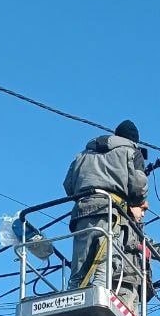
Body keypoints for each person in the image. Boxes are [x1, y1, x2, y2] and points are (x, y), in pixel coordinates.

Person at [63, 121, 148, 290]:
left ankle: (73, 294)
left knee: (80, 262)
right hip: (111, 211)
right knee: (106, 260)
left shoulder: (83, 154)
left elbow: (68, 185)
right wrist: (137, 202)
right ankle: (99, 292)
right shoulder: (132, 152)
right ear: (134, 140)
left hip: (82, 211)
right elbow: (138, 185)